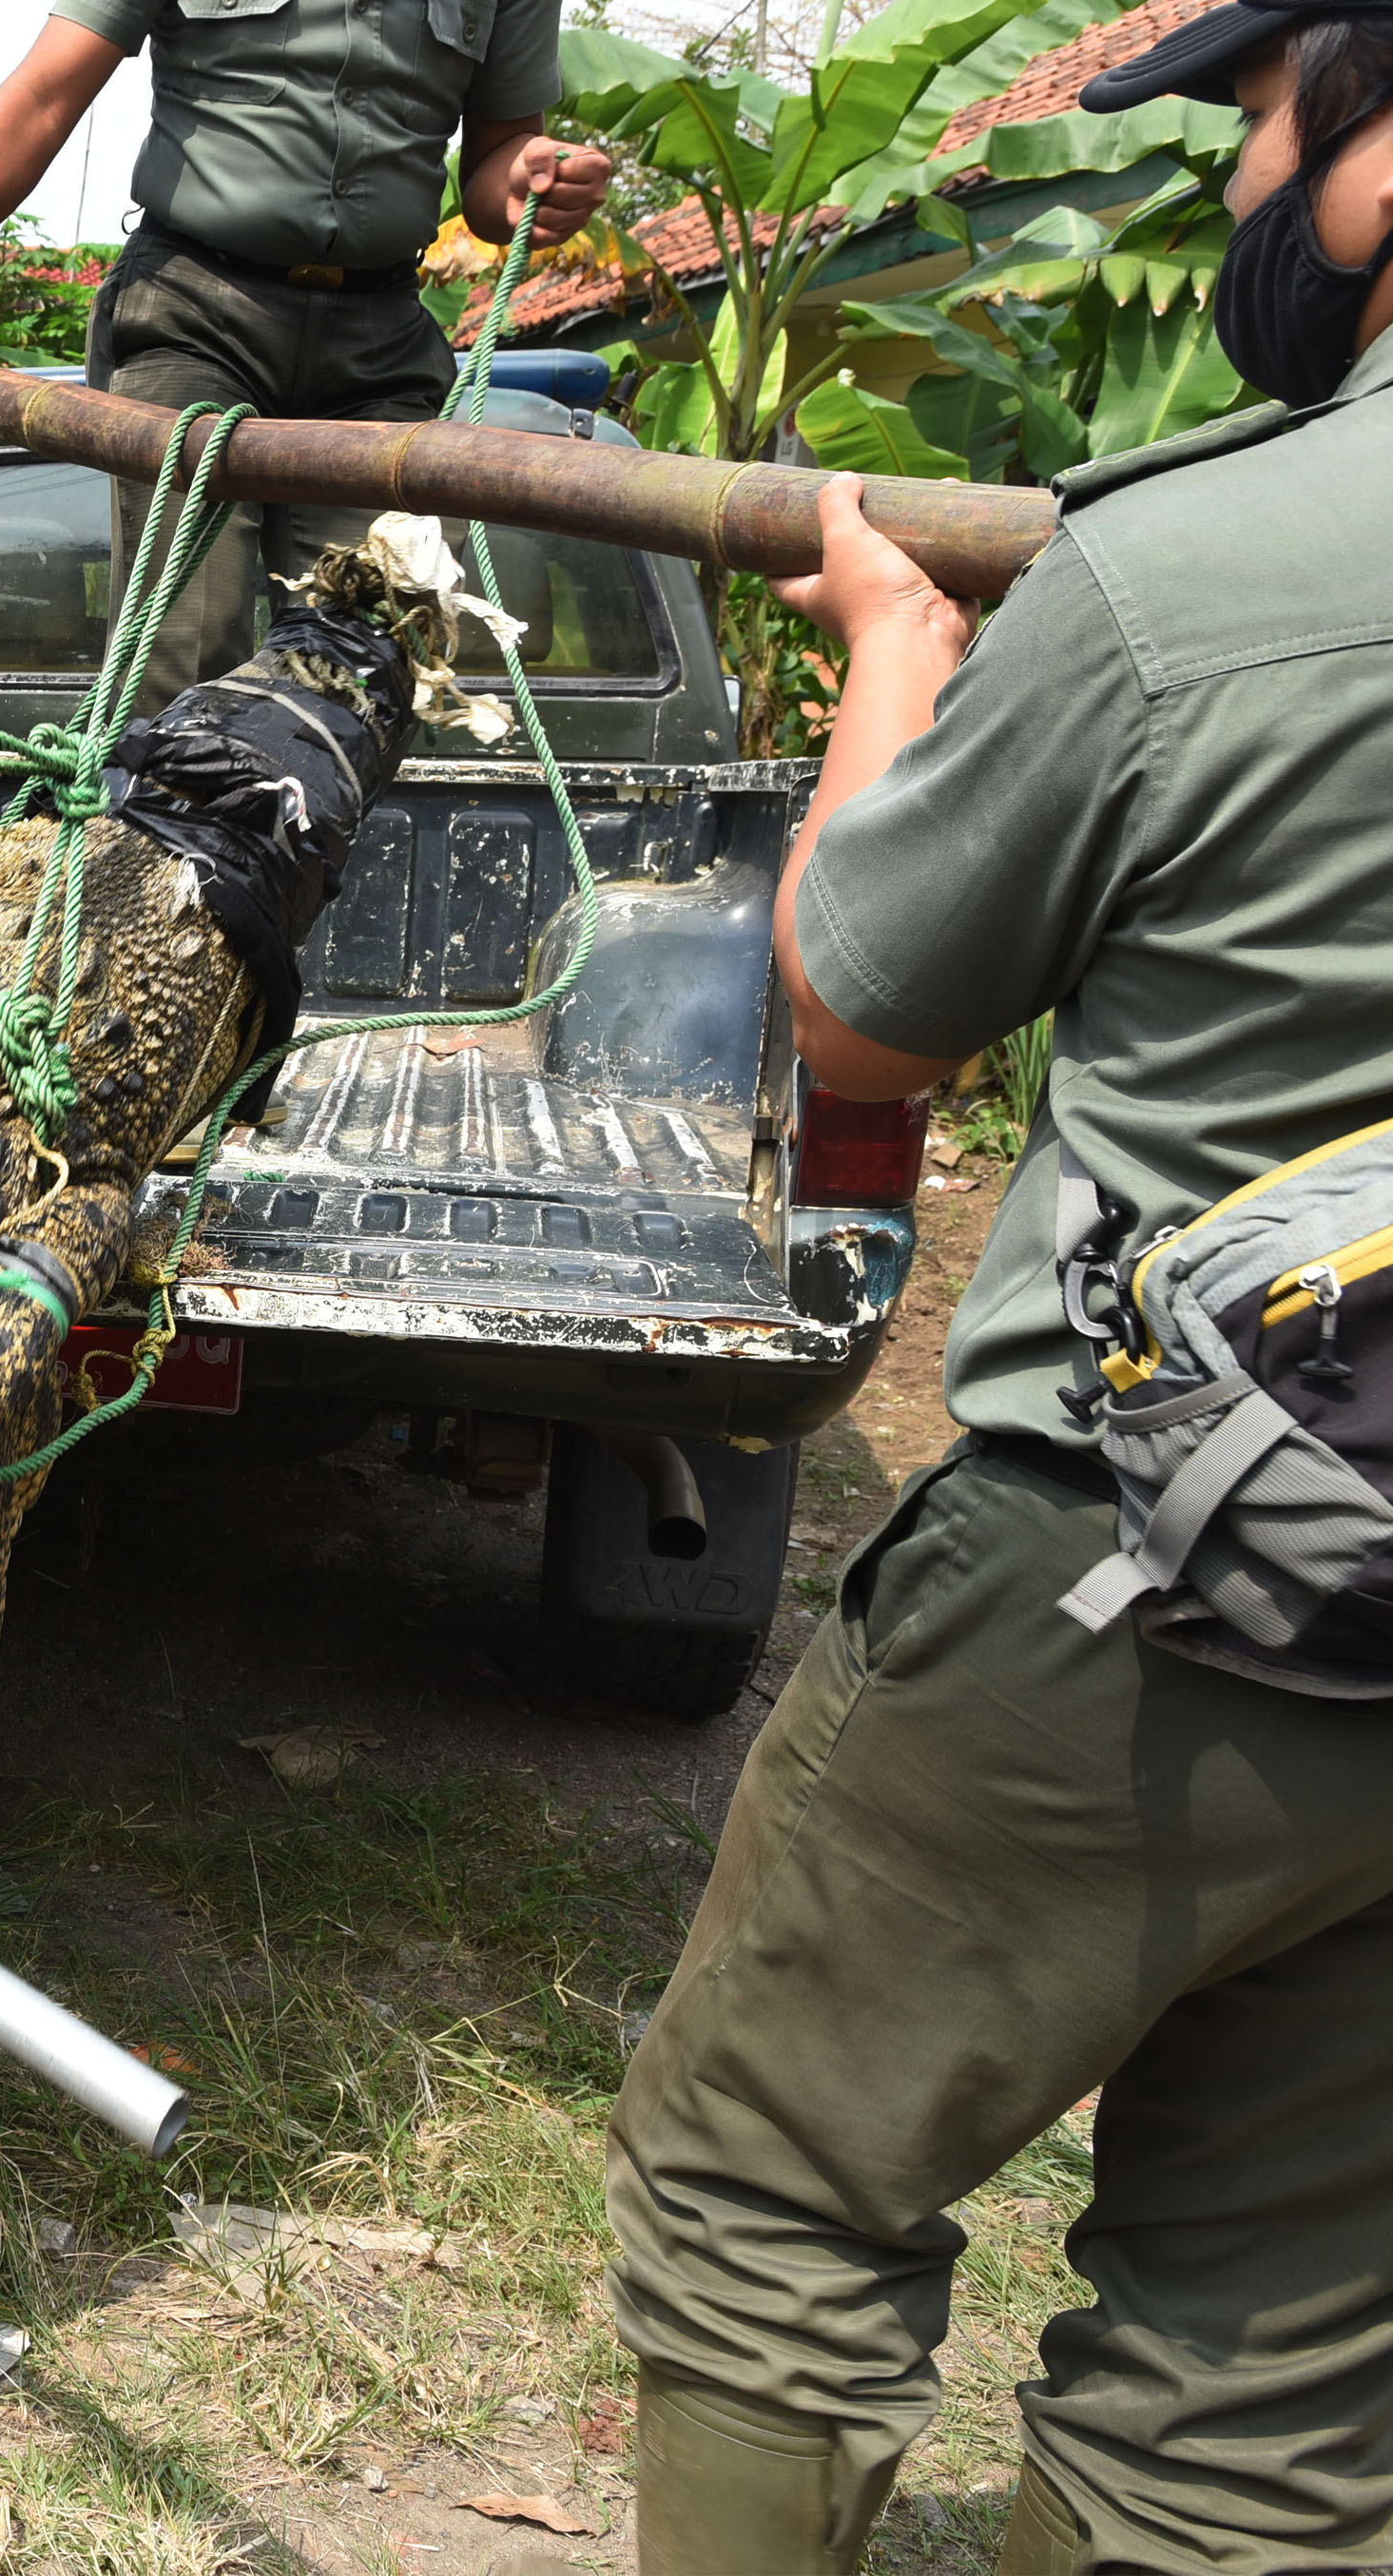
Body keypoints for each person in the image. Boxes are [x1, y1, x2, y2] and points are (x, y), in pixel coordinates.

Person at [601, 7, 1393, 2572]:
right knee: (1265, 2378)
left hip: (1158, 1565)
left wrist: (896, 668)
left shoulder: (1198, 573)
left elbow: (862, 994)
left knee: (765, 2185)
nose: (1249, 178)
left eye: (1275, 122)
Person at [0, 0, 611, 707]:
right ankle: (157, 843)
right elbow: (47, 93)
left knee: (363, 676)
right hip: (194, 314)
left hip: (379, 346)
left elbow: (495, 161)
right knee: (181, 655)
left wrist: (523, 177)